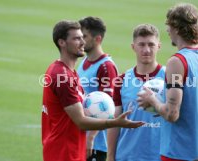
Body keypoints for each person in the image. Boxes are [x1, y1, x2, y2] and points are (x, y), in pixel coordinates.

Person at [41, 20, 145, 161]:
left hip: (70, 149)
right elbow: (81, 121)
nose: (82, 42)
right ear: (62, 42)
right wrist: (116, 123)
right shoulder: (62, 76)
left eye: (82, 37)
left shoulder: (67, 72)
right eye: (77, 38)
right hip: (64, 152)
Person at [138, 3, 198, 161]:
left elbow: (172, 114)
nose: (167, 31)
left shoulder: (177, 61)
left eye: (169, 26)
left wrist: (152, 100)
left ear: (177, 28)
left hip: (178, 153)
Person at [107, 24, 165, 161]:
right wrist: (110, 156)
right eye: (141, 45)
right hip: (127, 156)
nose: (146, 50)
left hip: (161, 157)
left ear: (159, 46)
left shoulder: (171, 78)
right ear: (133, 47)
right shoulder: (121, 80)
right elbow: (115, 122)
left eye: (151, 44)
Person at [77, 16, 118, 161]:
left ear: (98, 39)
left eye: (84, 37)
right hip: (81, 137)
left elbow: (105, 108)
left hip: (96, 143)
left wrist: (90, 137)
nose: (81, 41)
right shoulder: (83, 61)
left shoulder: (106, 67)